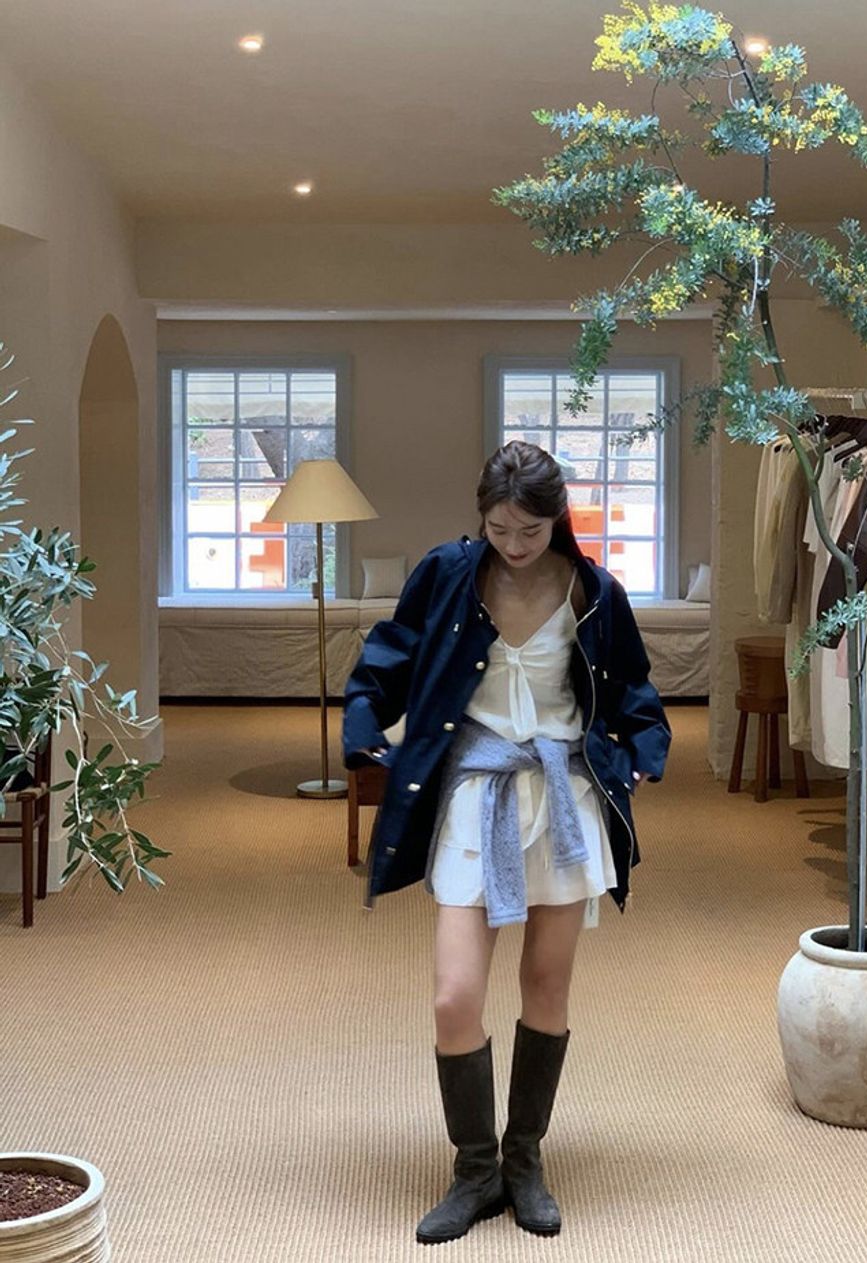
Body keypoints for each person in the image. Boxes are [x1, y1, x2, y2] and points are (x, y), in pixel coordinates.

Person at [343, 440, 670, 1244]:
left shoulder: (594, 591)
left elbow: (633, 687)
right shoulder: (448, 572)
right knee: (454, 996)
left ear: (557, 519)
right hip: (476, 794)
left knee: (546, 986)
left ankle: (523, 1159)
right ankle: (474, 1167)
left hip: (561, 798)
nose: (514, 544)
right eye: (498, 528)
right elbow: (389, 654)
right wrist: (363, 722)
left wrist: (639, 752)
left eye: (529, 530)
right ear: (481, 518)